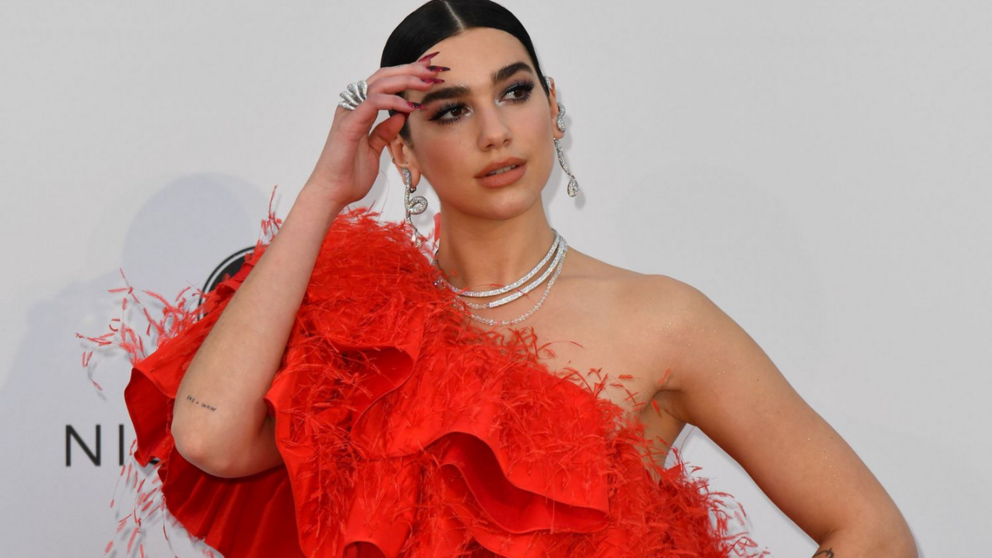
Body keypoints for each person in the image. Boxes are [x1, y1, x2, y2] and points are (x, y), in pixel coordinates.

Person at [116, 1, 917, 557]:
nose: (496, 131)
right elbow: (210, 438)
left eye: (514, 91)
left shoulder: (662, 320)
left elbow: (873, 534)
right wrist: (327, 189)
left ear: (552, 105)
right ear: (402, 149)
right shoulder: (359, 326)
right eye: (451, 110)